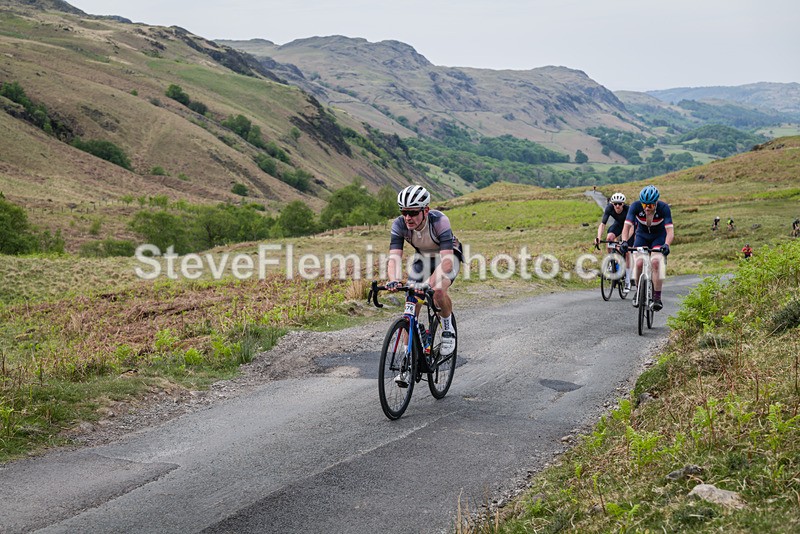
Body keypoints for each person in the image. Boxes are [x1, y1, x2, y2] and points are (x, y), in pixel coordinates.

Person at [386, 185, 463, 374]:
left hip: (447, 257)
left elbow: (446, 263)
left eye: (412, 212)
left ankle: (447, 329)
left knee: (437, 291)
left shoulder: (439, 221)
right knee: (410, 306)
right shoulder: (399, 224)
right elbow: (394, 257)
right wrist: (394, 280)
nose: (408, 217)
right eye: (404, 212)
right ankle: (407, 360)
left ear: (425, 210)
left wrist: (427, 284)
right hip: (423, 259)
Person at [619, 185, 674, 312]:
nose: (647, 208)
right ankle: (639, 291)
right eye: (645, 205)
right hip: (642, 236)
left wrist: (667, 244)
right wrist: (625, 241)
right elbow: (627, 227)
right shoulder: (635, 206)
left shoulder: (664, 208)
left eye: (650, 205)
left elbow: (670, 231)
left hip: (658, 237)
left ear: (656, 203)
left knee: (655, 262)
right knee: (638, 263)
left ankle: (657, 298)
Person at [594, 192, 634, 291]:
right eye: (615, 203)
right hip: (619, 225)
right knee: (609, 238)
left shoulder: (628, 210)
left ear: (623, 204)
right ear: (612, 204)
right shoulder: (609, 208)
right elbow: (602, 224)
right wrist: (598, 237)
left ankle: (628, 281)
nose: (617, 206)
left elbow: (632, 227)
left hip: (630, 227)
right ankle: (613, 263)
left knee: (627, 251)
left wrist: (625, 241)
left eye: (619, 204)